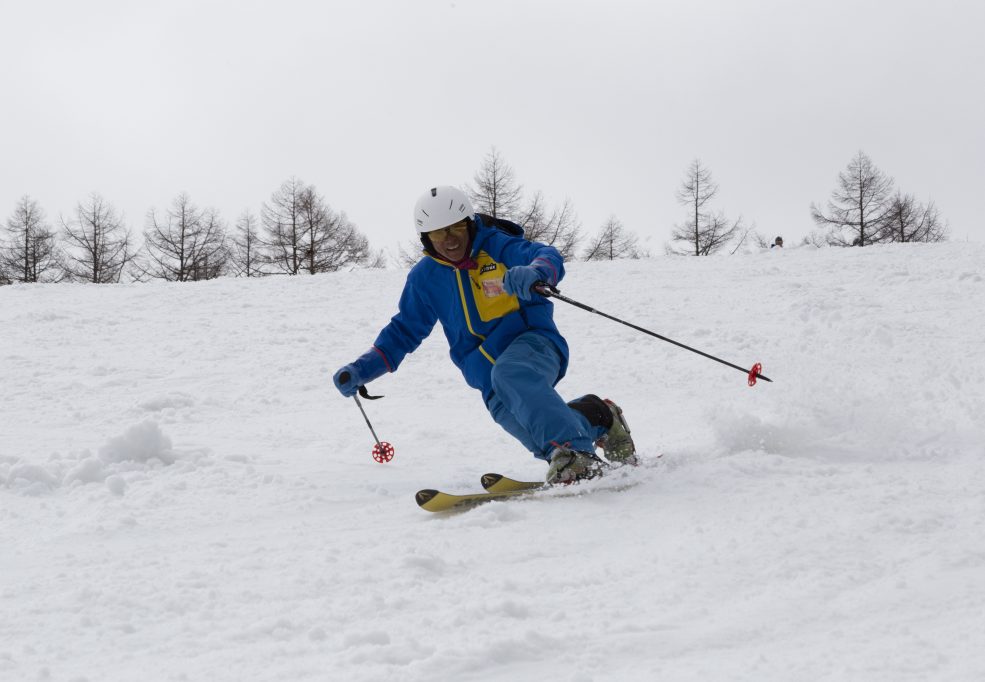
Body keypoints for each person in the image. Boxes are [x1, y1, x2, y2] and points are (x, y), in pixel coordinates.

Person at [332, 186, 636, 484]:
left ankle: (574, 454)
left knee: (512, 373)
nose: (449, 240)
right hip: (484, 373)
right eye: (438, 234)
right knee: (533, 431)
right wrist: (362, 369)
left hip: (534, 343)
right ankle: (598, 416)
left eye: (455, 229)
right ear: (426, 238)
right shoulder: (424, 278)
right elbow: (404, 331)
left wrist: (535, 272)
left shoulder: (498, 246)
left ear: (469, 224)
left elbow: (545, 255)